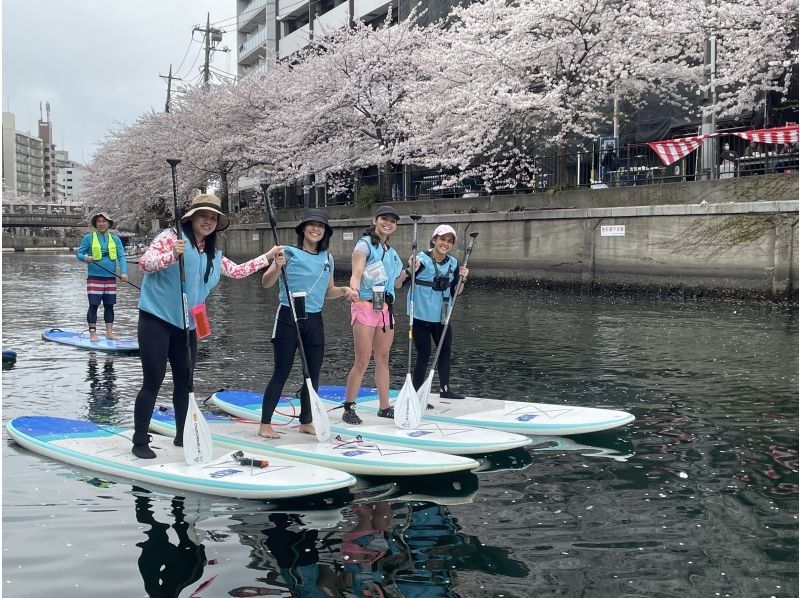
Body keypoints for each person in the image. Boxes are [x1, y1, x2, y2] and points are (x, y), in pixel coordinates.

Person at [131, 194, 281, 459]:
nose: (208, 221)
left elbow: (236, 272)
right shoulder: (170, 236)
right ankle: (140, 440)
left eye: (213, 218)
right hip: (156, 319)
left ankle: (182, 435)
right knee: (153, 381)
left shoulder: (212, 253)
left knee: (185, 383)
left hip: (187, 325)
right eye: (203, 216)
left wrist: (267, 257)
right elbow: (145, 263)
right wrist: (170, 256)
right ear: (192, 218)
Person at [258, 208, 357, 439]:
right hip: (288, 317)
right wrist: (277, 266)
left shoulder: (328, 258)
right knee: (281, 372)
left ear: (325, 232)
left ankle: (306, 420)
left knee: (312, 373)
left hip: (314, 319)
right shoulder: (288, 253)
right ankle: (265, 424)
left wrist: (343, 290)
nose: (316, 229)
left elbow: (328, 291)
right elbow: (265, 282)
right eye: (311, 225)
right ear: (303, 229)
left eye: (321, 226)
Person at [342, 205, 409, 424]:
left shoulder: (392, 252)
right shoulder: (364, 244)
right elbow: (357, 272)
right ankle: (349, 406)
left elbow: (397, 283)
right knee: (362, 359)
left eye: (392, 220)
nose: (388, 223)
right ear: (375, 220)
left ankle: (384, 406)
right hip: (363, 304)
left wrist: (410, 271)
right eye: (384, 219)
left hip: (385, 308)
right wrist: (353, 288)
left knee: (383, 358)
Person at [407, 224, 469, 400]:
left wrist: (463, 279)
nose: (445, 244)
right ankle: (416, 394)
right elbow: (407, 277)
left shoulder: (453, 263)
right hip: (420, 316)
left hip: (441, 316)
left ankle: (445, 389)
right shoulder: (421, 258)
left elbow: (456, 292)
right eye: (442, 239)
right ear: (434, 240)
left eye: (449, 241)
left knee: (445, 351)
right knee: (424, 355)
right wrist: (412, 266)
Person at [76, 212, 128, 342]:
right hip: (94, 277)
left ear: (109, 224)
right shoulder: (88, 238)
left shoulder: (115, 239)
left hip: (110, 277)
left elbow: (121, 256)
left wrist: (124, 272)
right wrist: (85, 258)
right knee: (94, 305)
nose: (101, 223)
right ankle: (93, 333)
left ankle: (109, 333)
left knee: (109, 305)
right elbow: (79, 253)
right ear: (95, 224)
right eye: (99, 221)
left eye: (104, 221)